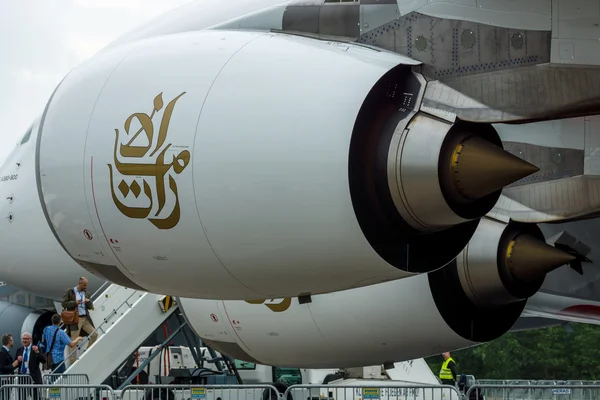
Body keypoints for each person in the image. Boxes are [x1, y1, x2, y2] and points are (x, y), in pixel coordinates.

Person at [62, 277, 97, 364]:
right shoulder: (70, 292)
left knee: (94, 334)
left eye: (86, 285)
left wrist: (88, 301)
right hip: (75, 319)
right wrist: (75, 303)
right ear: (80, 284)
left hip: (85, 318)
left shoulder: (86, 293)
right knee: (73, 340)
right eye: (84, 285)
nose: (86, 287)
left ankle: (87, 353)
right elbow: (64, 303)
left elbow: (90, 306)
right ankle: (73, 361)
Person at [16, 332, 46, 400]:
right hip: (22, 378)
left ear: (30, 339)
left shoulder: (36, 349)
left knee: (36, 397)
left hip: (33, 378)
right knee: (22, 397)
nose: (24, 340)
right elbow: (16, 363)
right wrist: (18, 360)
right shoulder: (19, 350)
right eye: (23, 339)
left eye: (26, 339)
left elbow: (43, 360)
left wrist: (37, 352)